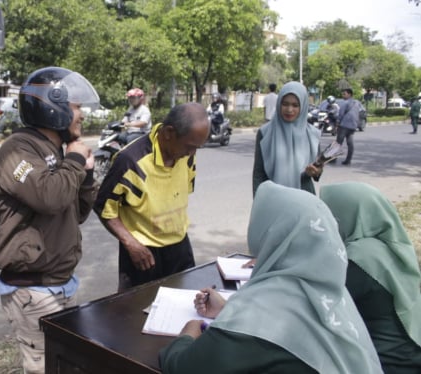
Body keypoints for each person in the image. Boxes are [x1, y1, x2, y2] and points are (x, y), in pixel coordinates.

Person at [159, 181, 383, 374]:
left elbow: (185, 368)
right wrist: (228, 310)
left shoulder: (261, 310)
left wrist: (187, 335)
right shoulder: (331, 291)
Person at [0, 66, 100, 373]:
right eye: (76, 107)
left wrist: (86, 174)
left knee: (64, 364)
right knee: (43, 367)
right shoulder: (18, 150)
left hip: (59, 282)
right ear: (54, 107)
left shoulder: (56, 151)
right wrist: (75, 159)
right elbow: (50, 197)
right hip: (33, 289)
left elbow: (75, 212)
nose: (82, 114)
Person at [93, 103, 210, 291]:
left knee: (184, 311)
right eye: (189, 146)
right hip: (143, 255)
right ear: (168, 133)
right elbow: (103, 207)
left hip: (180, 249)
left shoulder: (186, 156)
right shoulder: (130, 161)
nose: (192, 153)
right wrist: (130, 243)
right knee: (139, 315)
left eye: (197, 148)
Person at [320, 182, 421, 372]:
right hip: (408, 356)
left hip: (390, 364)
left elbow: (320, 299)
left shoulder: (361, 258)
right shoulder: (386, 246)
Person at [252, 81, 323, 196]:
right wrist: (259, 202)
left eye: (295, 105)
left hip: (304, 198)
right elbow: (258, 174)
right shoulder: (265, 133)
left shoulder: (313, 135)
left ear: (303, 106)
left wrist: (316, 172)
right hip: (274, 199)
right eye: (285, 104)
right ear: (279, 103)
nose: (289, 110)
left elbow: (317, 172)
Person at [336, 88, 363, 165]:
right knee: (350, 144)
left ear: (349, 94)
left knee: (338, 143)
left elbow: (341, 114)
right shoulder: (357, 102)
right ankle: (348, 160)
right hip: (353, 126)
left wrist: (337, 123)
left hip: (344, 125)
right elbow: (361, 111)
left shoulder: (345, 103)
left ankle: (332, 159)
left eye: (344, 94)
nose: (343, 95)